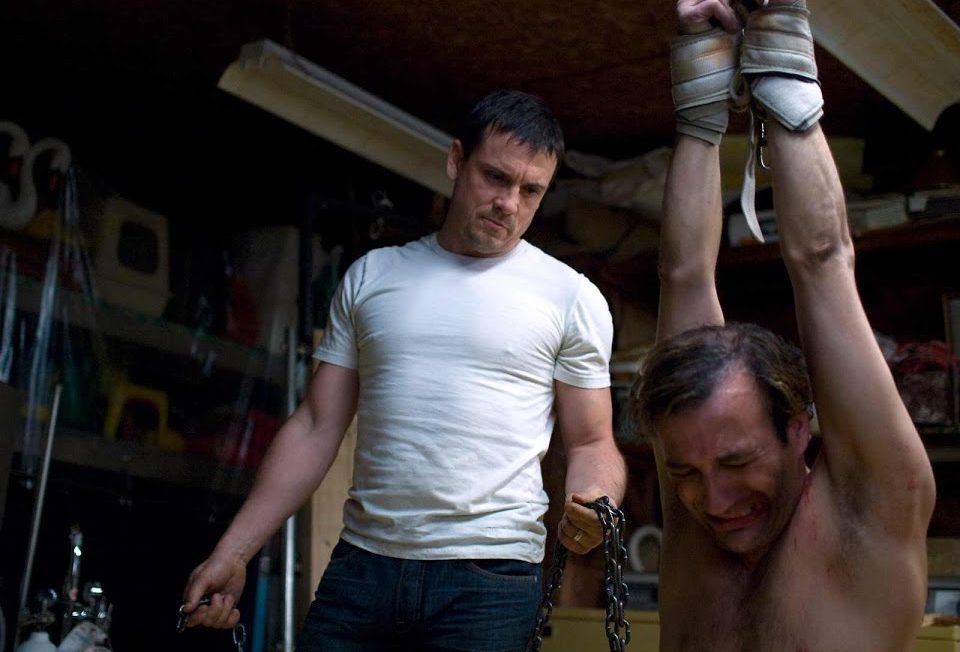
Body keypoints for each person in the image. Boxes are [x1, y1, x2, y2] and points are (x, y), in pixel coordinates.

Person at [181, 89, 627, 651]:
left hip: (489, 581)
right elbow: (316, 425)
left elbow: (592, 441)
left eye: (530, 190)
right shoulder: (372, 277)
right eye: (494, 177)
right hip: (362, 569)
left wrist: (595, 502)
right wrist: (234, 551)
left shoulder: (571, 297)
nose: (509, 203)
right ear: (456, 160)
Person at [630, 1, 936, 650]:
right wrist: (700, 92)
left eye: (737, 460)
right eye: (684, 473)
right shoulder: (698, 504)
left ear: (799, 429)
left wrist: (782, 44)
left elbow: (823, 263)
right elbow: (682, 276)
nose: (713, 501)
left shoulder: (868, 513)